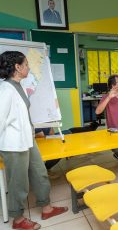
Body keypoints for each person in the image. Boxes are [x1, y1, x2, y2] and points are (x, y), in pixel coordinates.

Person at [0, 51, 68, 230]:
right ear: (17, 67)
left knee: (40, 173)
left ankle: (46, 207)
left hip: (28, 140)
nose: (29, 68)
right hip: (14, 144)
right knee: (18, 182)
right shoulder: (5, 90)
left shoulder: (19, 85)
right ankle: (18, 220)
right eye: (26, 64)